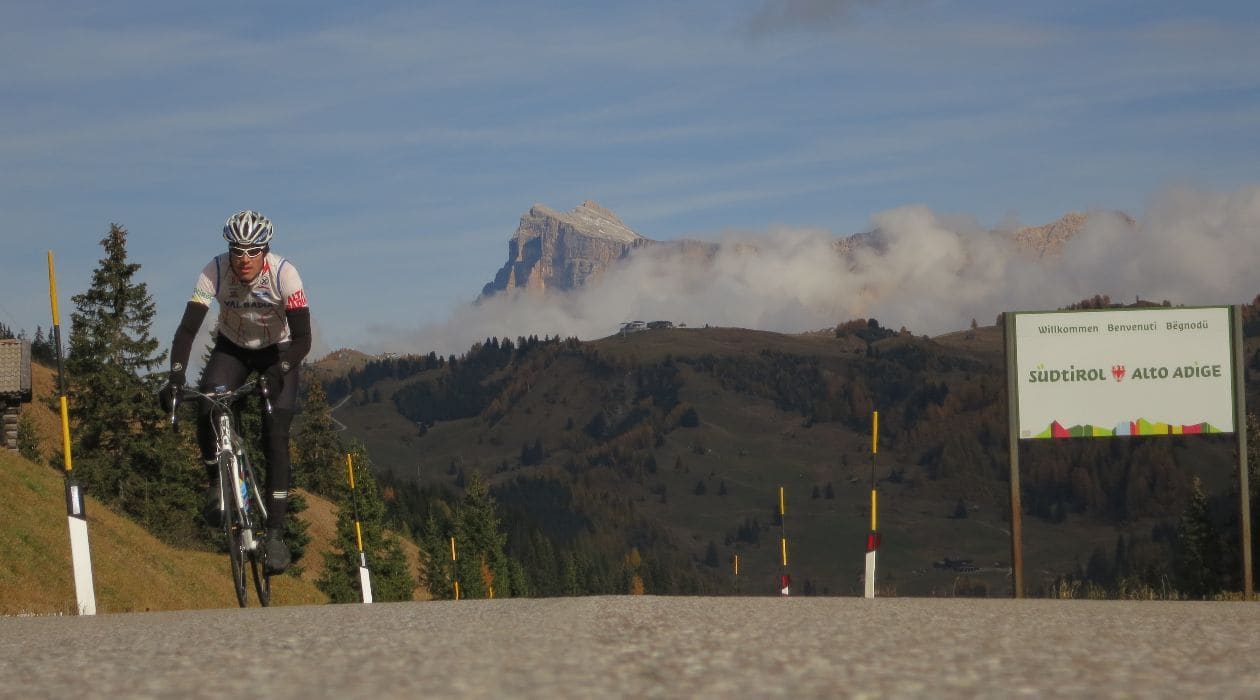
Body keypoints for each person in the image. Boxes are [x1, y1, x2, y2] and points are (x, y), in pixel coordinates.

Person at [160, 210, 311, 574]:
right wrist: (176, 377)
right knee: (209, 401)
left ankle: (274, 534)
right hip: (234, 349)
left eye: (252, 251)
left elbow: (304, 339)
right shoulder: (213, 271)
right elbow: (186, 331)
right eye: (236, 251)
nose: (243, 259)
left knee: (275, 434)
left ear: (265, 250)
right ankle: (217, 482)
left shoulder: (284, 274)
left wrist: (281, 370)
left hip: (279, 351)